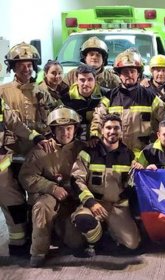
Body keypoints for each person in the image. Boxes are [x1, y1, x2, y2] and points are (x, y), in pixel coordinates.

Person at [19, 106, 86, 267]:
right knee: (41, 207)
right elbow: (26, 176)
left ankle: (58, 230)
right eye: (60, 129)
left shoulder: (82, 148)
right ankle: (38, 252)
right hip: (49, 198)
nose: (65, 133)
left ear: (75, 129)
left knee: (76, 243)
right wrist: (51, 188)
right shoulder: (41, 150)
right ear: (53, 131)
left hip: (73, 200)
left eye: (69, 128)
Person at [71, 114, 140, 257]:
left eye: (116, 128)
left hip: (117, 206)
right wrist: (91, 203)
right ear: (102, 130)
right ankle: (98, 240)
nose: (112, 131)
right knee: (83, 221)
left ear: (121, 131)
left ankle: (109, 230)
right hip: (93, 205)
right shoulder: (88, 153)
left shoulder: (129, 155)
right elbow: (76, 180)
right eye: (108, 128)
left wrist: (140, 171)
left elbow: (131, 184)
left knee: (132, 244)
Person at [90, 49, 165, 156]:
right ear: (119, 74)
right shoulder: (110, 97)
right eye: (125, 71)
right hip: (116, 154)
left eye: (132, 71)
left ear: (138, 73)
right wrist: (94, 135)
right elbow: (98, 117)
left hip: (144, 155)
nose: (129, 74)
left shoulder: (150, 97)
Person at [0, 98, 50, 256]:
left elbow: (14, 122)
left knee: (13, 202)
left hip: (1, 165)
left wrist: (34, 137)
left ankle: (18, 242)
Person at [1, 42, 58, 155]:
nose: (26, 69)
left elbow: (56, 115)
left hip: (39, 147)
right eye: (21, 65)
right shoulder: (3, 91)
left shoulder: (42, 91)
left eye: (29, 65)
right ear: (13, 68)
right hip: (11, 149)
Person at [60, 64, 109, 141]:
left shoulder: (107, 94)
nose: (86, 83)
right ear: (76, 80)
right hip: (75, 140)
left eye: (90, 79)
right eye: (82, 80)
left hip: (100, 139)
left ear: (95, 79)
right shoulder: (65, 99)